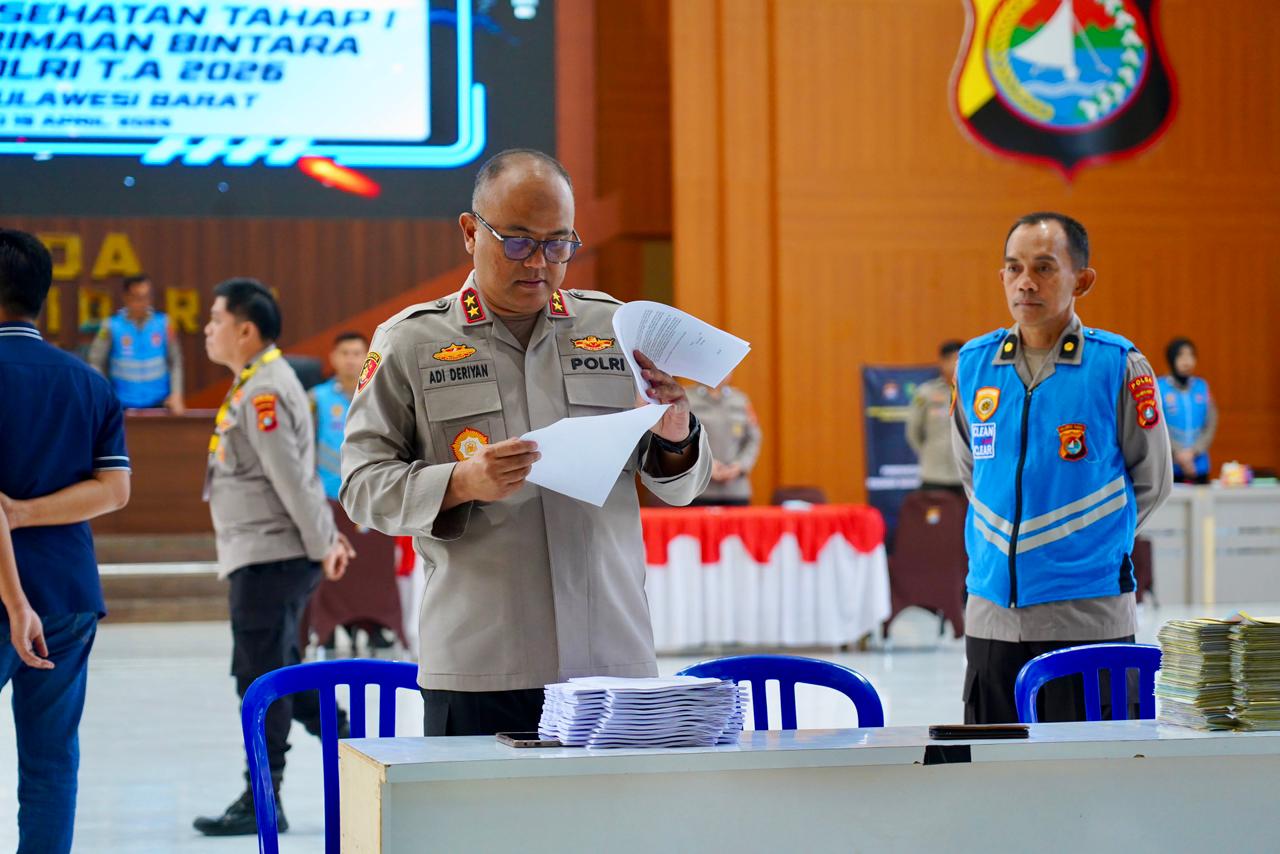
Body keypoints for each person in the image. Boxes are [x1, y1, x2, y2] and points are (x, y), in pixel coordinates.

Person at [341, 148, 712, 736]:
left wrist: (676, 433)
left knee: (609, 829)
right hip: (482, 663)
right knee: (479, 829)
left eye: (558, 243)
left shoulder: (614, 330)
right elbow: (362, 487)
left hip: (609, 658)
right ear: (470, 231)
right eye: (517, 241)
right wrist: (462, 482)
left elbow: (681, 484)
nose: (539, 262)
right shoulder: (411, 341)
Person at [951, 212, 1172, 724]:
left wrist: (1082, 543)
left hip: (1087, 615)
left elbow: (1153, 481)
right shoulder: (975, 364)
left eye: (1045, 267)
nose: (1025, 282)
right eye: (1013, 268)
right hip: (991, 616)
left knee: (1091, 787)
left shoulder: (1117, 364)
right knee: (997, 783)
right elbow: (973, 473)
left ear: (1082, 280)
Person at [194, 278, 355, 836]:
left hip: (270, 558)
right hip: (263, 555)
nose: (207, 330)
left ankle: (265, 796)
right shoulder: (256, 381)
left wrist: (326, 542)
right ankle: (364, 750)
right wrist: (324, 540)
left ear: (245, 329)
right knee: (283, 674)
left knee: (258, 676)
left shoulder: (265, 389)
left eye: (215, 320)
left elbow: (292, 478)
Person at [0, 228, 132, 853]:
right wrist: (25, 514)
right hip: (67, 592)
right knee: (51, 762)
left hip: (12, 594)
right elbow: (113, 490)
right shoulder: (87, 383)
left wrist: (15, 514)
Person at [308, 331, 399, 652]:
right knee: (334, 570)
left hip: (370, 498)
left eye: (357, 353)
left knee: (372, 570)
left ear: (368, 357)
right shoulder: (316, 399)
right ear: (333, 358)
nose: (350, 359)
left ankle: (375, 624)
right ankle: (331, 626)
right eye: (344, 352)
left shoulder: (380, 393)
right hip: (328, 499)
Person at [88, 273, 185, 412]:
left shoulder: (163, 323)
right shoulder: (111, 326)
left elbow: (175, 361)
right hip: (122, 404)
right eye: (138, 297)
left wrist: (177, 394)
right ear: (126, 298)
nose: (144, 303)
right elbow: (95, 361)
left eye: (147, 297)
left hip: (160, 402)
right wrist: (103, 394)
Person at [686, 379, 762, 506]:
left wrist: (740, 465)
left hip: (735, 491)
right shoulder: (686, 399)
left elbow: (753, 439)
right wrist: (705, 464)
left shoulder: (740, 400)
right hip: (697, 490)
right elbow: (678, 441)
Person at [906, 340, 965, 494]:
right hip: (934, 474)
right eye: (954, 359)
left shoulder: (973, 391)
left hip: (965, 473)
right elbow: (913, 431)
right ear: (943, 362)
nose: (958, 364)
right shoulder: (926, 392)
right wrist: (928, 452)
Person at [1158, 337, 1217, 485]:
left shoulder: (1202, 387)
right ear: (1172, 359)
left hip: (1199, 465)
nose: (1187, 361)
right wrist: (1178, 453)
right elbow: (1156, 426)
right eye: (1181, 355)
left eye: (1191, 355)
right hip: (1169, 466)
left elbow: (1211, 424)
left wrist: (1193, 452)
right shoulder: (1159, 387)